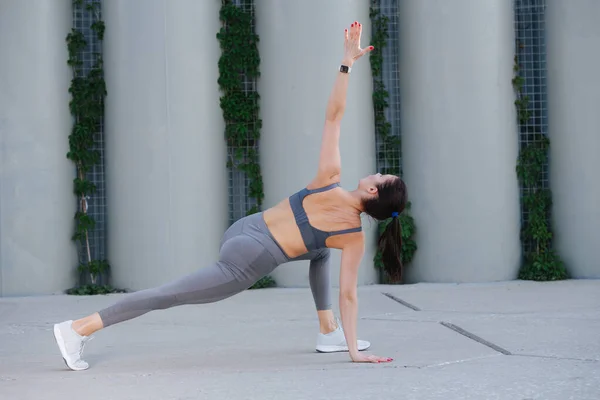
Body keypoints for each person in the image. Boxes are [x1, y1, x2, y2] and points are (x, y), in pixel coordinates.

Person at [53, 20, 407, 371]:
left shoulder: (328, 180)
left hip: (244, 230)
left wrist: (346, 62)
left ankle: (328, 330)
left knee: (320, 249)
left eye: (380, 175)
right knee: (167, 295)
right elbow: (349, 295)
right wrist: (355, 353)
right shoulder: (352, 237)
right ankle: (78, 328)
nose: (376, 171)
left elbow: (334, 117)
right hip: (246, 259)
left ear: (373, 190)